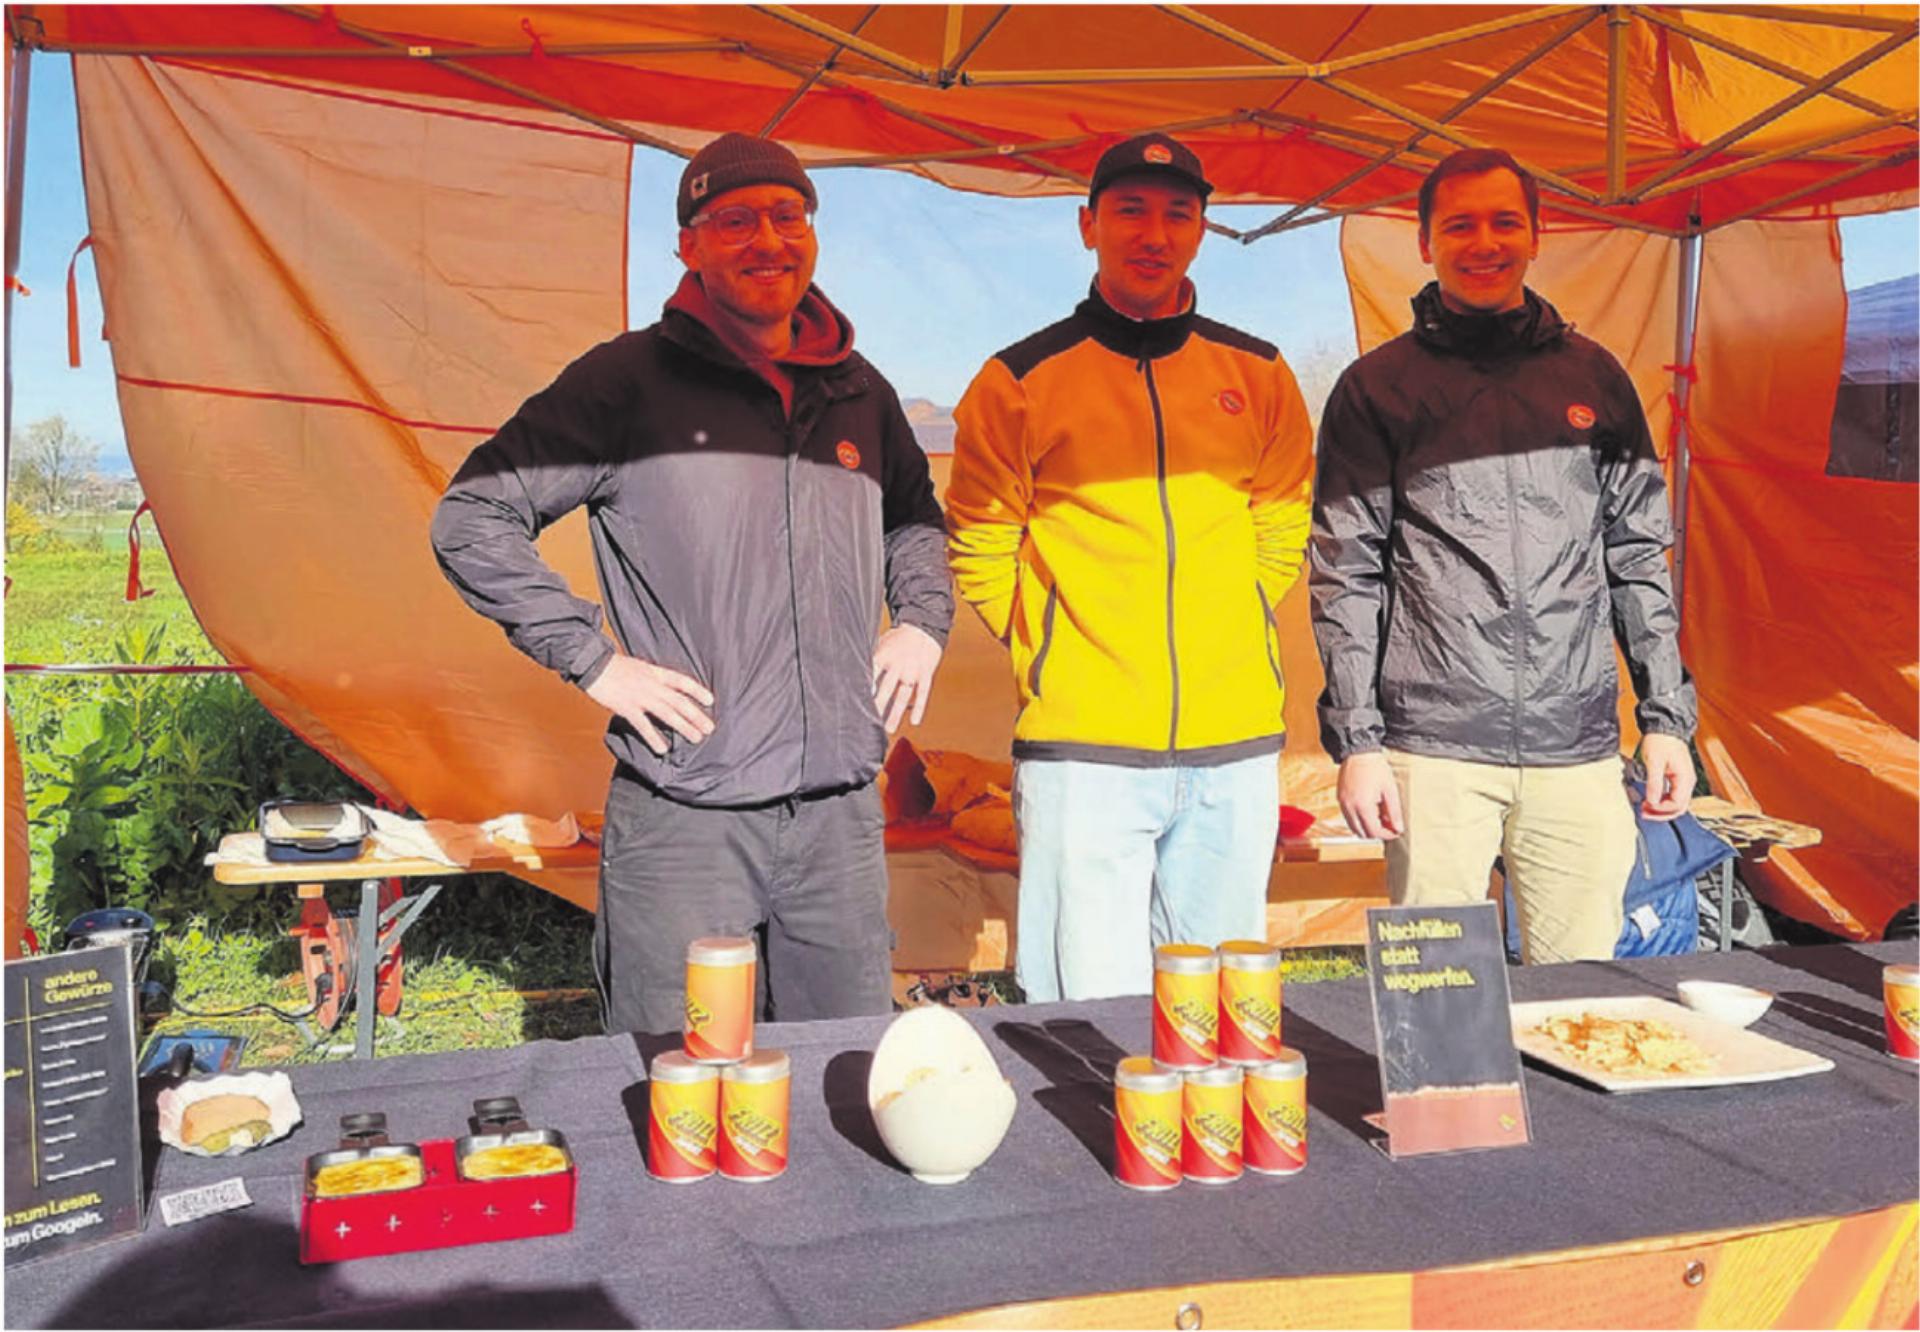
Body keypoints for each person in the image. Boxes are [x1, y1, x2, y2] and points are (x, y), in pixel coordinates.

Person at [432, 133, 953, 1032]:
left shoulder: (857, 389)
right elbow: (473, 516)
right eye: (736, 220)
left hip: (837, 818)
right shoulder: (624, 384)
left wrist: (922, 621)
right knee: (683, 1081)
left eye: (788, 216)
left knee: (848, 1068)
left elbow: (914, 518)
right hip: (687, 815)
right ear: (689, 245)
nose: (768, 240)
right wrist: (595, 661)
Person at [946, 133, 1315, 1002]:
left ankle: (1213, 1138)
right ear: (1088, 226)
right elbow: (980, 537)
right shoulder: (1019, 380)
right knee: (1085, 1003)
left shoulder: (1258, 373)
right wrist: (1051, 641)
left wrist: (1229, 614)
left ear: (1200, 232)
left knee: (1223, 998)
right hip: (1085, 749)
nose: (1154, 232)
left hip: (1233, 743)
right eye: (1131, 211)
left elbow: (1281, 519)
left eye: (1178, 214)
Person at [1310, 147, 1697, 964]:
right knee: (1437, 1003)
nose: (1483, 242)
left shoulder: (1596, 376)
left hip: (1578, 746)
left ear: (1536, 233)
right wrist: (1359, 742)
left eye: (1503, 222)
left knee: (1580, 996)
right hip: (1433, 747)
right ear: (1424, 242)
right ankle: (1449, 1103)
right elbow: (1347, 573)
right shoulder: (1376, 388)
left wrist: (1667, 720)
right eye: (1459, 225)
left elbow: (1636, 555)